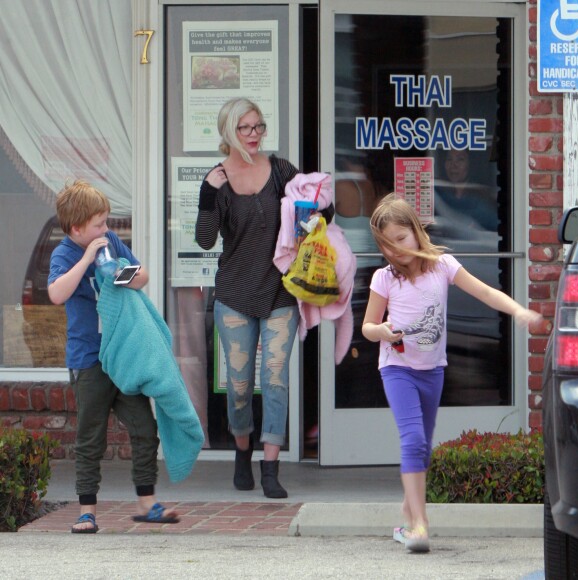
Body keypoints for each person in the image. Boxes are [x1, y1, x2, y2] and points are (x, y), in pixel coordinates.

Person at [361, 194, 541, 553]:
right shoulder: (385, 278)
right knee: (412, 440)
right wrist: (380, 331)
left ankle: (406, 519)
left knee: (423, 448)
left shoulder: (443, 266)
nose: (396, 250)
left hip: (432, 371)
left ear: (416, 231)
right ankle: (420, 526)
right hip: (397, 368)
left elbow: (486, 292)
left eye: (401, 239)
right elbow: (367, 325)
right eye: (387, 244)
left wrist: (518, 311)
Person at [195, 97, 332, 498]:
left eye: (259, 127)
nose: (254, 135)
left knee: (275, 379)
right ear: (229, 132)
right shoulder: (217, 179)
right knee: (239, 386)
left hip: (279, 293)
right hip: (235, 294)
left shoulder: (281, 170)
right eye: (245, 128)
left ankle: (270, 466)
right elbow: (204, 241)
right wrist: (207, 194)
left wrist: (316, 216)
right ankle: (243, 450)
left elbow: (320, 206)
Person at [48, 179, 179, 533]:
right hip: (89, 360)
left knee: (144, 428)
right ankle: (86, 511)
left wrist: (118, 273)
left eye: (106, 222)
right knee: (91, 437)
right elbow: (57, 294)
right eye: (99, 224)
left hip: (121, 356)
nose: (106, 229)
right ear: (77, 228)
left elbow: (144, 275)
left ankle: (147, 503)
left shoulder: (112, 243)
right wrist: (88, 259)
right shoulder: (64, 253)